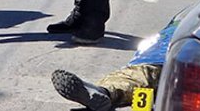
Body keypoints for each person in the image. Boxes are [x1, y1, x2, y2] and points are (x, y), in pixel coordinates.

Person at [50, 8, 188, 111]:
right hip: (164, 57)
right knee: (142, 74)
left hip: (178, 59)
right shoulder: (195, 12)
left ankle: (106, 92)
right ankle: (103, 92)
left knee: (142, 75)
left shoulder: (197, 12)